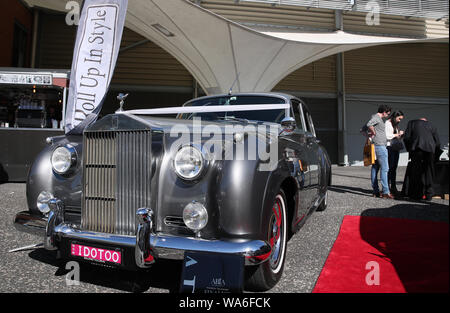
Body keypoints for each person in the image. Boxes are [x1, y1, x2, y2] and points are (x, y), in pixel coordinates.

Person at [402, 118, 441, 200]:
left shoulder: (412, 123)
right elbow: (437, 142)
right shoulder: (431, 125)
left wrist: (410, 150)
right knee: (429, 172)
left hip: (417, 149)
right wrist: (436, 155)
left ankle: (417, 194)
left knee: (417, 172)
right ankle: (429, 194)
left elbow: (406, 138)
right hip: (430, 150)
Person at [365, 104, 394, 199]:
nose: (388, 115)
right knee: (385, 169)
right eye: (388, 113)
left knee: (375, 168)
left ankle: (376, 191)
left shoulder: (374, 117)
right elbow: (369, 124)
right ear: (384, 112)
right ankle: (385, 192)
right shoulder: (377, 118)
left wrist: (371, 135)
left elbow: (362, 129)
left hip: (375, 146)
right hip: (380, 146)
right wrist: (373, 133)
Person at [385, 110, 405, 194]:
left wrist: (400, 135)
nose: (399, 120)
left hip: (395, 147)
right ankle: (387, 187)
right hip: (389, 147)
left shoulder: (395, 125)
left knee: (394, 168)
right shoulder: (387, 123)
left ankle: (393, 186)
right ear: (395, 116)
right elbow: (387, 136)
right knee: (390, 167)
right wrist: (397, 135)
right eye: (399, 118)